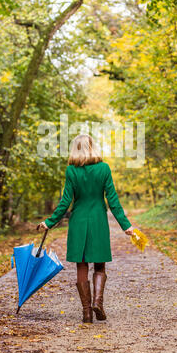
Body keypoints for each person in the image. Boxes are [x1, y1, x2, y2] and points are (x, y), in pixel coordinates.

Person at [38, 134, 135, 324]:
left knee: (81, 265)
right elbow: (113, 200)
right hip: (98, 220)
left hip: (79, 222)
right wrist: (126, 225)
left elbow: (66, 201)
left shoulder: (71, 171)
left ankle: (87, 313)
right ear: (93, 147)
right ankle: (97, 302)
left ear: (75, 149)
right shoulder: (104, 168)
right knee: (99, 264)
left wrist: (50, 222)